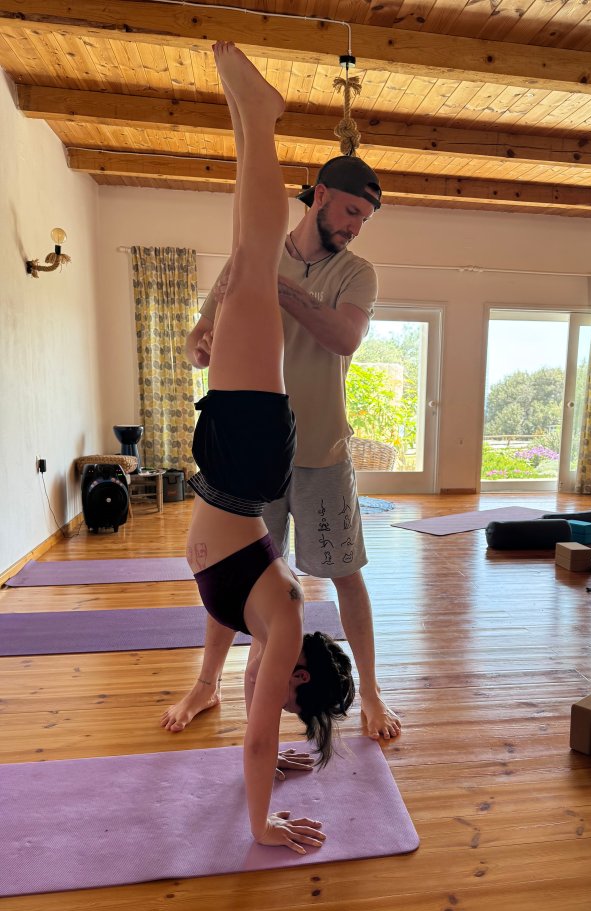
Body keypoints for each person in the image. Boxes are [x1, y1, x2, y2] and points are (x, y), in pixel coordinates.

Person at [180, 40, 354, 854]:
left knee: (250, 262)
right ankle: (257, 116)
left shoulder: (274, 639)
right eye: (296, 704)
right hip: (244, 460)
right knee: (254, 263)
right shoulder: (283, 618)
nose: (278, 708)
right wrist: (261, 826)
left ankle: (247, 120)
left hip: (235, 466)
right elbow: (254, 736)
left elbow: (259, 720)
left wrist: (278, 763)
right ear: (300, 674)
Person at [166, 147, 400, 742]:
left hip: (322, 454)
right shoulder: (251, 256)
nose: (355, 227)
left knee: (345, 575)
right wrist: (201, 346)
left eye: (364, 220)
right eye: (350, 212)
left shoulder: (357, 273)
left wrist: (275, 286)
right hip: (253, 457)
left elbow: (344, 337)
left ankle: (373, 692)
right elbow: (197, 338)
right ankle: (208, 682)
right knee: (236, 578)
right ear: (319, 196)